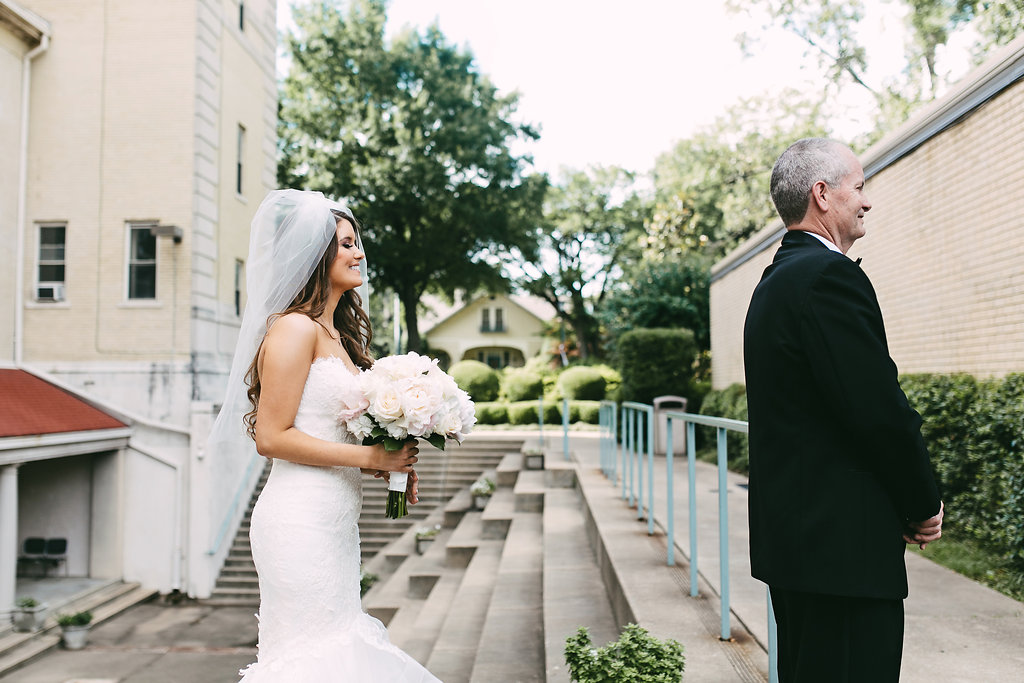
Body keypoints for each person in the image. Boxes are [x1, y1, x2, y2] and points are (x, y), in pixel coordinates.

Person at [208, 189, 440, 681]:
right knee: (315, 660)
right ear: (316, 256)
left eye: (358, 243)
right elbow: (271, 437)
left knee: (337, 655)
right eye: (347, 244)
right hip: (298, 522)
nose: (360, 253)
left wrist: (385, 462)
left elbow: (329, 429)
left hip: (336, 525)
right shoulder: (293, 329)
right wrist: (371, 459)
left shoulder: (336, 333)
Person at [743, 139, 944, 682]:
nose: (867, 200)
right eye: (860, 186)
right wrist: (921, 502)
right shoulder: (829, 279)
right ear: (822, 194)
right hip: (842, 556)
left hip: (798, 548)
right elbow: (877, 409)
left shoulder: (773, 283)